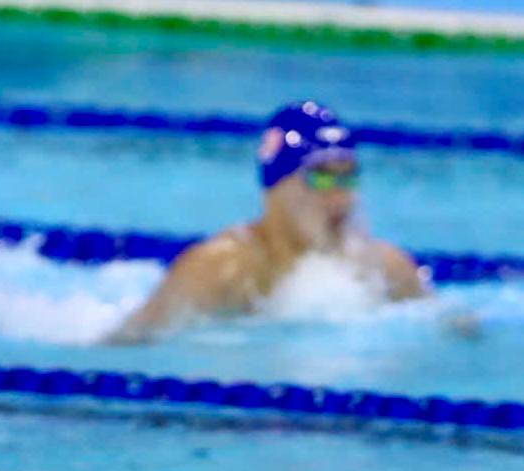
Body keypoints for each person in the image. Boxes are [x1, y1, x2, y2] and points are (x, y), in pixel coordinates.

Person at [108, 101, 428, 343]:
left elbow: (451, 328)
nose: (342, 197)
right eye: (323, 178)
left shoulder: (385, 269)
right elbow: (129, 342)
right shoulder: (220, 269)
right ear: (277, 188)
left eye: (348, 178)